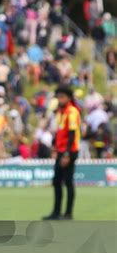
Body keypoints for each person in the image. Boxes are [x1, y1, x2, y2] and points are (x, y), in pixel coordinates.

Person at [43, 86, 81, 220]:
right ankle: (56, 212)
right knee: (56, 181)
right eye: (58, 97)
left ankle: (68, 213)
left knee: (68, 182)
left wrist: (66, 154)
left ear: (69, 98)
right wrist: (55, 146)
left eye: (62, 97)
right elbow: (60, 132)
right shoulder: (61, 111)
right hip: (61, 150)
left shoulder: (72, 111)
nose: (60, 99)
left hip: (69, 151)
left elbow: (71, 134)